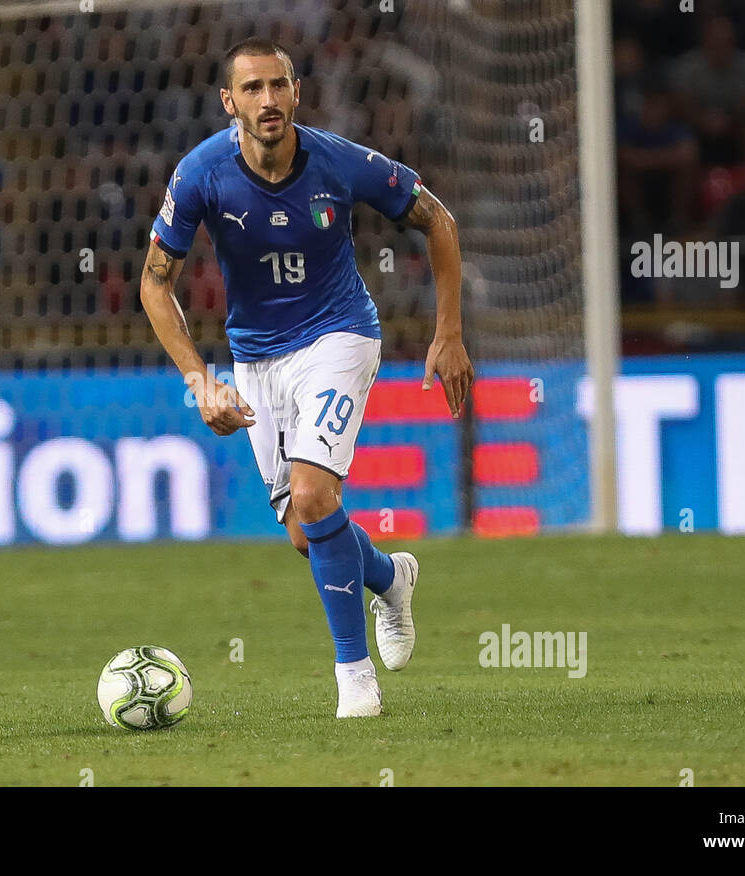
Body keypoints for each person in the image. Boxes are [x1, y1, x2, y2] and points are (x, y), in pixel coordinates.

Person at [139, 38, 472, 718]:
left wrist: (449, 333)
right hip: (255, 360)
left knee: (315, 493)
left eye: (279, 86)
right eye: (253, 89)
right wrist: (201, 380)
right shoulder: (201, 173)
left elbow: (438, 220)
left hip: (338, 336)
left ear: (296, 92)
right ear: (229, 102)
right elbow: (153, 281)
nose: (268, 100)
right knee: (303, 531)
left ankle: (355, 679)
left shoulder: (339, 162)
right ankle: (389, 578)